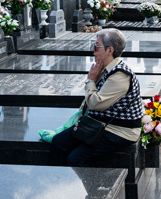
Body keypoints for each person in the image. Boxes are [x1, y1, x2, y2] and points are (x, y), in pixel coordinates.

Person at [50, 29, 142, 166]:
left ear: (109, 50)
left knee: (76, 158)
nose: (93, 50)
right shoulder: (107, 68)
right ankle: (60, 177)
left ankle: (95, 186)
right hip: (99, 123)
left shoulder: (120, 75)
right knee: (58, 142)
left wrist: (90, 80)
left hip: (119, 131)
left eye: (97, 46)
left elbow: (95, 103)